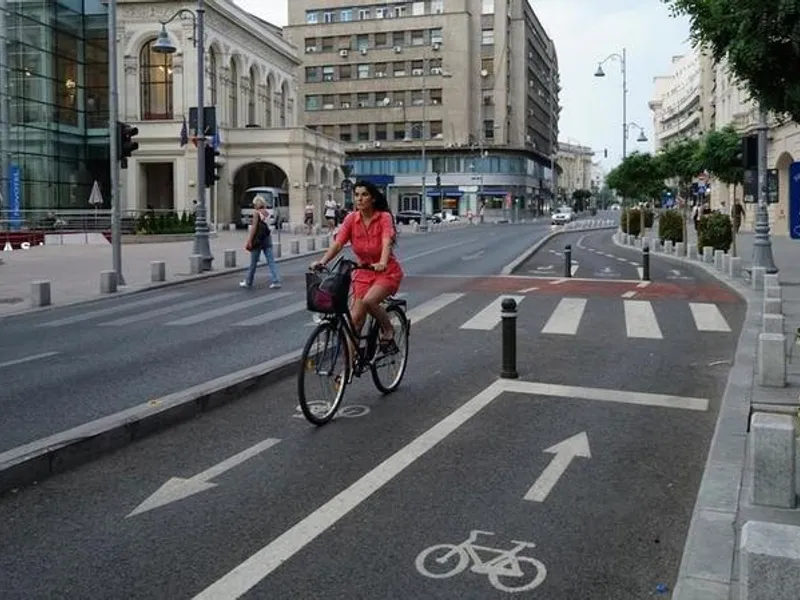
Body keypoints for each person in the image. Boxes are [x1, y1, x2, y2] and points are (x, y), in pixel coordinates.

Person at [310, 181, 403, 352]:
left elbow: (386, 241)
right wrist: (322, 261)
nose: (359, 199)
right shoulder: (351, 219)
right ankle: (348, 372)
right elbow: (338, 244)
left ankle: (388, 329)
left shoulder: (384, 217)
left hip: (385, 272)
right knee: (354, 322)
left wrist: (382, 262)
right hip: (362, 274)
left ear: (373, 198)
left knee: (370, 300)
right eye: (357, 195)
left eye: (364, 195)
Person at [240, 196, 281, 289]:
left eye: (254, 204)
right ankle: (276, 280)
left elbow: (254, 228)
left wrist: (249, 240)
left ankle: (248, 281)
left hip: (258, 240)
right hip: (267, 238)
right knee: (271, 261)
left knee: (253, 262)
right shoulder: (267, 212)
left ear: (257, 204)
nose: (253, 206)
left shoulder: (256, 213)